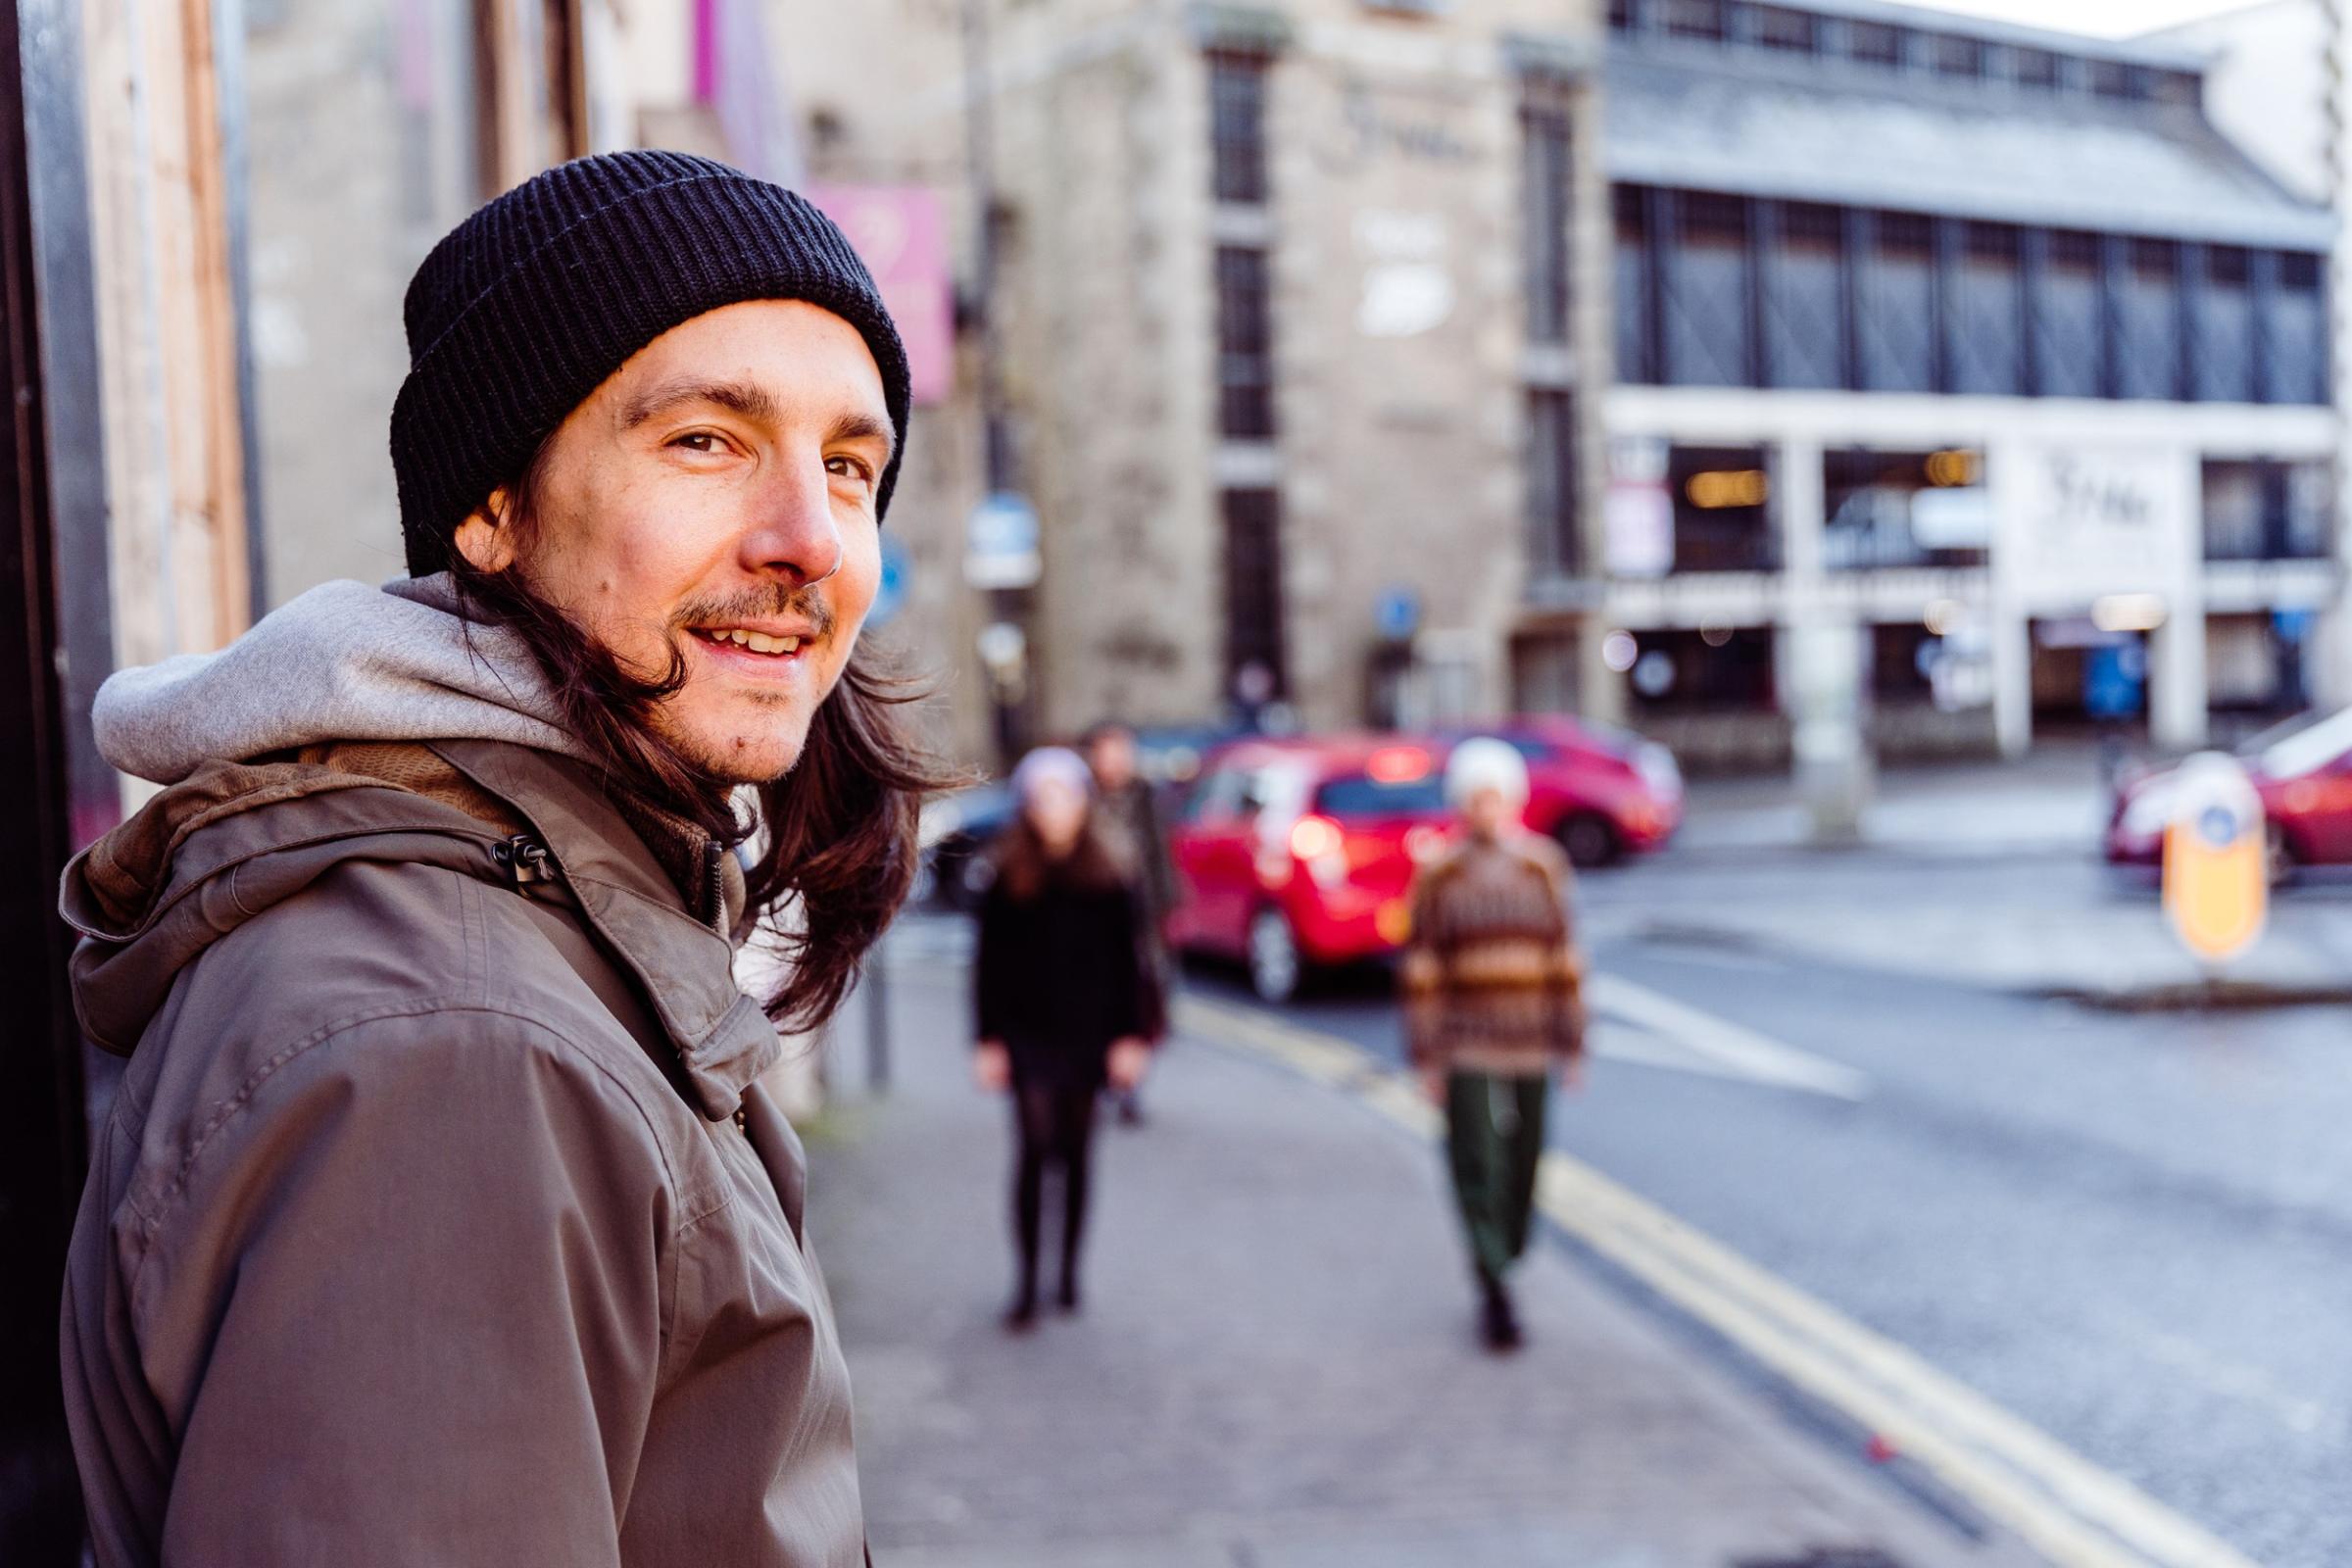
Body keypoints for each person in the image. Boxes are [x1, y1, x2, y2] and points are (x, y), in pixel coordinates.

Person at [57, 150, 953, 1566]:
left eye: (849, 466)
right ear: (494, 509)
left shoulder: (531, 933)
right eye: (708, 439)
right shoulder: (461, 1050)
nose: (811, 543)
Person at [1400, 738, 1588, 1352]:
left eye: (1497, 795)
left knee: (1525, 1163)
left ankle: (1506, 1251)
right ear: (1462, 804)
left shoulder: (1543, 866)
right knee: (1477, 1162)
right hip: (1468, 1044)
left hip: (1530, 1038)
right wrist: (1428, 1056)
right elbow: (1424, 968)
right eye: (1476, 797)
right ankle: (1494, 1284)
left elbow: (1565, 956)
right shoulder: (1440, 875)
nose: (1487, 808)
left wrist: (1573, 1040)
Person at [972, 747, 1152, 1330]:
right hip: (1026, 1033)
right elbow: (987, 965)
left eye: (1065, 795)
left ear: (1084, 803)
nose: (1054, 809)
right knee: (1032, 1148)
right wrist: (987, 1040)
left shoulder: (1111, 874)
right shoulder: (1006, 874)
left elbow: (1131, 965)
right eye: (1042, 797)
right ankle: (1025, 1284)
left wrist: (1130, 1038)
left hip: (1089, 1033)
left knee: (1076, 1154)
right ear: (1026, 806)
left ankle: (1068, 1273)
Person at [1082, 719, 1176, 1121]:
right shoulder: (1082, 798)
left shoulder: (1146, 797)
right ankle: (1098, 1078)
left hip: (1140, 917)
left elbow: (1159, 855)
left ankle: (1129, 1084)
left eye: (1124, 751)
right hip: (1091, 918)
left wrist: (1164, 908)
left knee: (1139, 1000)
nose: (1118, 761)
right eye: (1109, 751)